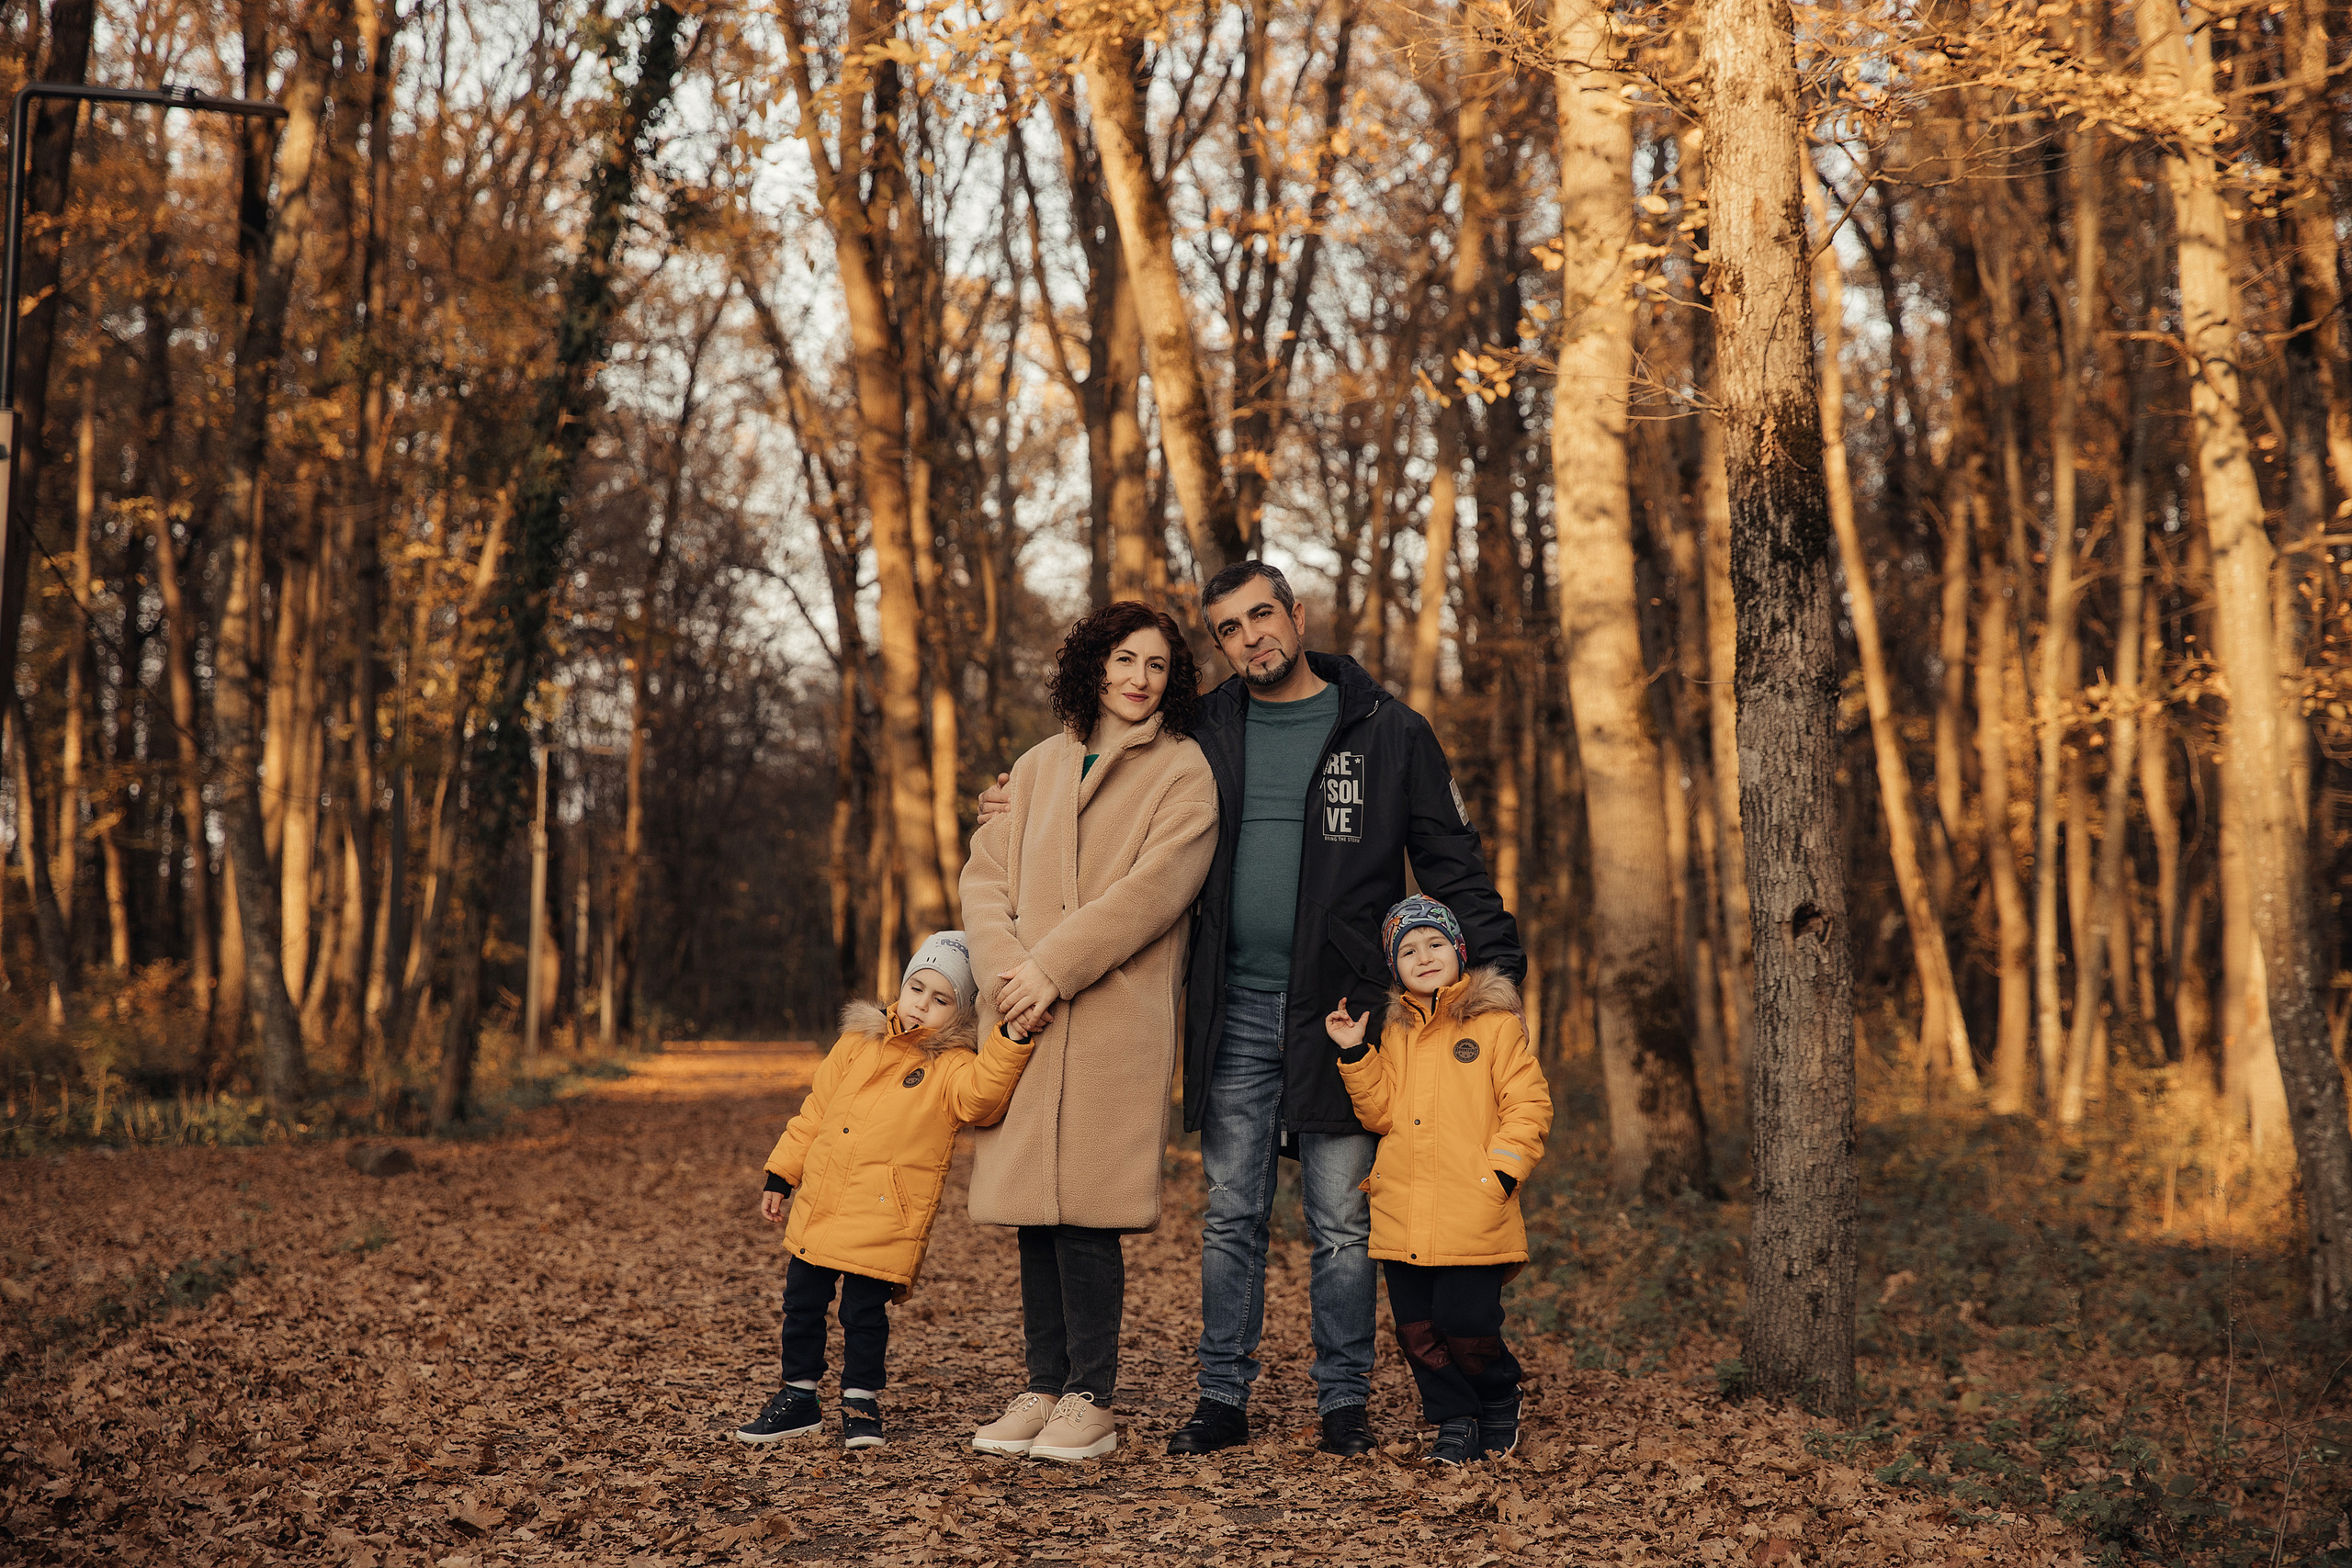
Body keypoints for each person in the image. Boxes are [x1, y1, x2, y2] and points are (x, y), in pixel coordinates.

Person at [977, 560, 1521, 1458]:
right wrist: (1005, 801)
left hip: (1345, 1015)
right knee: (1231, 1212)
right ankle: (1221, 1398)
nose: (1249, 637)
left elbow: (1450, 857)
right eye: (1227, 629)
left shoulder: (1385, 730)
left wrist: (1496, 967)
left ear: (1296, 615)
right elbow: (1105, 767)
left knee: (1341, 1220)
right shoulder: (1206, 726)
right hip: (1231, 1008)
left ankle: (1343, 1404)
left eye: (1260, 616)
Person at [961, 600, 1219, 1464]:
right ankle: (1041, 1383)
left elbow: (1151, 893)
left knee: (1089, 1213)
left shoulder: (1184, 771)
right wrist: (1010, 977)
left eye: (1156, 664)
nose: (1139, 678)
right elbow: (984, 877)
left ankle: (1091, 1399)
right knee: (1034, 1208)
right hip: (1023, 1011)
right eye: (1124, 659)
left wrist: (1051, 970)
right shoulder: (1035, 766)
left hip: (1111, 1017)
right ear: (1093, 665)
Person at [735, 933, 1039, 1451]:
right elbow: (816, 1109)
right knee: (801, 1303)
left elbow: (981, 1098)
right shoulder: (858, 1043)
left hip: (883, 1213)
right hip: (823, 1203)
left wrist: (1010, 1039)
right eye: (917, 988)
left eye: (941, 999)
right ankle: (798, 1396)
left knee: (862, 1312)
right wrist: (782, 1174)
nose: (922, 1004)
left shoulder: (950, 1067)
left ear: (961, 1013)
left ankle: (860, 1401)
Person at [1325, 896, 1552, 1465]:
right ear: (1394, 967)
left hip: (1472, 1203)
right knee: (1419, 1331)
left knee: (1466, 1321)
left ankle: (1498, 1394)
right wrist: (1356, 1055)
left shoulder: (1495, 1025)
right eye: (1408, 950)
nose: (1424, 956)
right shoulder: (1396, 1032)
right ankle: (1454, 1419)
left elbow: (1528, 1106)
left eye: (1435, 943)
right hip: (1402, 1205)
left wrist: (1498, 1174)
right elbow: (1380, 1115)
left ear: (1459, 952)